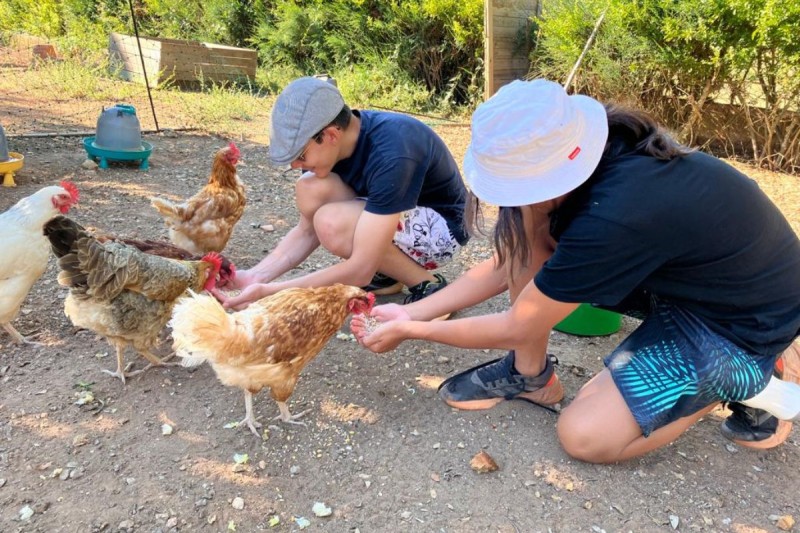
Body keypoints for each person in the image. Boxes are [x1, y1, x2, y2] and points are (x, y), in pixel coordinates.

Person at [352, 79, 800, 464]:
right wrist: (415, 313)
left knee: (585, 436)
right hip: (692, 284)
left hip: (738, 322)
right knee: (527, 240)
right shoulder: (599, 153)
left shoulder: (616, 217)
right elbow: (509, 264)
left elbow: (516, 323)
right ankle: (532, 377)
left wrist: (415, 331)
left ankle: (750, 377)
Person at [217, 76, 469, 310]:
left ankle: (427, 284)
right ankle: (388, 275)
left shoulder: (392, 150)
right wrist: (255, 277)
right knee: (310, 188)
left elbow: (359, 268)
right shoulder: (333, 148)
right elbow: (307, 231)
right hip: (400, 219)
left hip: (443, 231)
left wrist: (273, 293)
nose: (295, 165)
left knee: (332, 223)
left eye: (300, 155)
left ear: (330, 135)